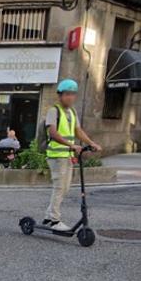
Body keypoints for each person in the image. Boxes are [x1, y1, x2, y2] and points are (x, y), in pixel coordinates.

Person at [43, 79, 101, 232]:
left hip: (67, 156)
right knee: (59, 187)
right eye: (67, 94)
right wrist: (71, 145)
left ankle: (49, 215)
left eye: (73, 94)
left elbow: (78, 131)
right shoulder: (54, 111)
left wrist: (91, 143)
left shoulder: (73, 112)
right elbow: (53, 133)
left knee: (65, 188)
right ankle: (54, 220)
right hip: (56, 156)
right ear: (60, 95)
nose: (70, 97)